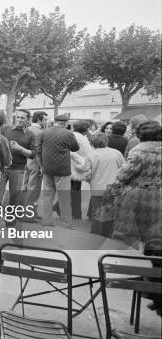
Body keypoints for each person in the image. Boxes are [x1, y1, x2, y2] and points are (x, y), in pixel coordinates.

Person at [103, 120, 161, 313]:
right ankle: (155, 292)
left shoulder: (139, 151)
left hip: (140, 201)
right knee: (156, 247)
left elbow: (122, 177)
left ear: (140, 135)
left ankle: (140, 284)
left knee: (129, 240)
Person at [37, 114, 79, 228]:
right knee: (64, 197)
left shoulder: (43, 132)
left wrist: (41, 165)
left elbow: (38, 150)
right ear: (65, 123)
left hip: (47, 169)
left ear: (55, 121)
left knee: (47, 196)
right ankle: (66, 224)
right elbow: (76, 148)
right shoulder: (68, 133)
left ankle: (47, 221)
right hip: (62, 170)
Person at [84, 133, 125, 235]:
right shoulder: (117, 153)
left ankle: (97, 233)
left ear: (93, 143)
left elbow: (87, 174)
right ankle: (108, 233)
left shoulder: (91, 154)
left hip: (97, 186)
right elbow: (123, 169)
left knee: (97, 211)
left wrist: (89, 180)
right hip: (114, 186)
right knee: (111, 211)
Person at [0, 109, 36, 208]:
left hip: (18, 170)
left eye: (22, 118)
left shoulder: (30, 135)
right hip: (2, 168)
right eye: (18, 117)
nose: (19, 120)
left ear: (28, 120)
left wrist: (20, 148)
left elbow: (33, 154)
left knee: (14, 198)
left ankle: (10, 221)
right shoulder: (5, 129)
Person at [23, 111, 48, 219]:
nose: (46, 122)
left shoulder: (26, 129)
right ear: (39, 120)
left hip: (26, 162)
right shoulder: (40, 132)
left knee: (25, 188)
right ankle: (28, 214)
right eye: (45, 120)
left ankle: (30, 212)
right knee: (33, 190)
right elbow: (38, 151)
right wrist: (42, 165)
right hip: (35, 163)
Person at [69, 120, 94, 220]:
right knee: (75, 191)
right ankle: (75, 213)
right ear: (85, 129)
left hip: (72, 166)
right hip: (77, 167)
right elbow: (87, 155)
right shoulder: (81, 139)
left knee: (72, 190)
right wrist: (84, 164)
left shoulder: (74, 136)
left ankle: (70, 211)